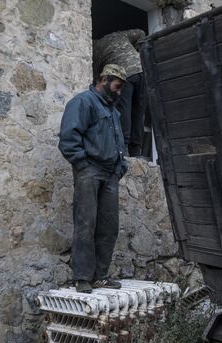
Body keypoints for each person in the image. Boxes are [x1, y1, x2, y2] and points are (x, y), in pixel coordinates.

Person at [58, 64, 128, 293]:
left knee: (109, 226)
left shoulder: (113, 111)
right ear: (105, 79)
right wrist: (82, 164)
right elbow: (69, 138)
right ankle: (83, 278)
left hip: (110, 174)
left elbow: (119, 142)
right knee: (86, 223)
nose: (118, 93)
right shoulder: (83, 102)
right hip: (89, 170)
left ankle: (100, 275)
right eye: (117, 87)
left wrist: (121, 167)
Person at [93, 29, 147, 157]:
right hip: (142, 71)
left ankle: (125, 149)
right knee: (139, 113)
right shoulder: (119, 34)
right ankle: (136, 150)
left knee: (124, 110)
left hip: (124, 76)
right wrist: (138, 51)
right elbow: (141, 33)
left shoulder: (95, 51)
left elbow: (99, 79)